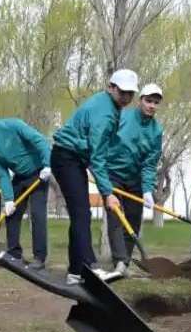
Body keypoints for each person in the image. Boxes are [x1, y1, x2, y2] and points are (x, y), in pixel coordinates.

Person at [50, 70, 138, 284]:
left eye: (130, 93)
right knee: (82, 214)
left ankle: (75, 272)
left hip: (73, 157)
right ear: (111, 87)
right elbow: (97, 158)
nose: (126, 97)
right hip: (66, 157)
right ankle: (90, 266)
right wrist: (107, 193)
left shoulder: (109, 106)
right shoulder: (105, 114)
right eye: (122, 92)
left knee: (80, 215)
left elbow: (96, 152)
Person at [0, 107, 52, 270]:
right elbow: (2, 173)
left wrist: (47, 164)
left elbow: (39, 141)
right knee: (11, 214)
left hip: (39, 173)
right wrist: (8, 199)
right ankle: (14, 254)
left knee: (37, 215)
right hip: (20, 177)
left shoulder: (13, 125)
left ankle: (39, 258)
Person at [104, 83, 164, 277]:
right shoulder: (122, 116)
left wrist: (147, 189)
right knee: (115, 217)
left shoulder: (156, 131)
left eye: (156, 102)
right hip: (113, 175)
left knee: (133, 223)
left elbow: (149, 164)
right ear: (140, 100)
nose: (152, 106)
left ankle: (124, 265)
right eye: (148, 101)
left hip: (136, 181)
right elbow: (104, 140)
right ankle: (119, 262)